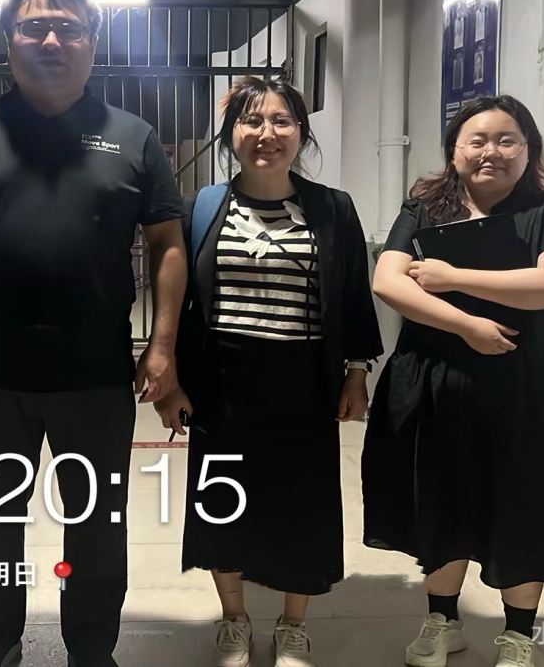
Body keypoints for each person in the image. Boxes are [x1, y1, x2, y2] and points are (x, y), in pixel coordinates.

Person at [0, 0, 187, 667]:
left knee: (96, 520)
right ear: (9, 41)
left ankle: (91, 645)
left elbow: (167, 243)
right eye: (34, 27)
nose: (52, 39)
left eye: (68, 27)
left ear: (91, 41)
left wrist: (162, 346)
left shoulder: (132, 135)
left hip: (95, 372)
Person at [154, 76, 384, 667]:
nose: (266, 133)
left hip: (304, 380)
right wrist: (171, 382)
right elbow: (177, 301)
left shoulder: (332, 208)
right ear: (231, 133)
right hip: (220, 381)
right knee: (222, 499)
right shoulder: (202, 207)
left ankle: (293, 625)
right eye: (251, 121)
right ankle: (234, 619)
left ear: (301, 132)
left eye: (281, 121)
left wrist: (357, 372)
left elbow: (354, 297)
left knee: (302, 502)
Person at [362, 95, 544, 667]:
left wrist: (451, 277)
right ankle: (443, 621)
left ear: (528, 150)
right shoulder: (423, 208)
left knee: (522, 500)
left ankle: (518, 636)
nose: (492, 151)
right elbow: (389, 282)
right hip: (434, 377)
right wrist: (466, 325)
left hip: (524, 385)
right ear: (455, 151)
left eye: (507, 140)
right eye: (477, 140)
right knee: (441, 498)